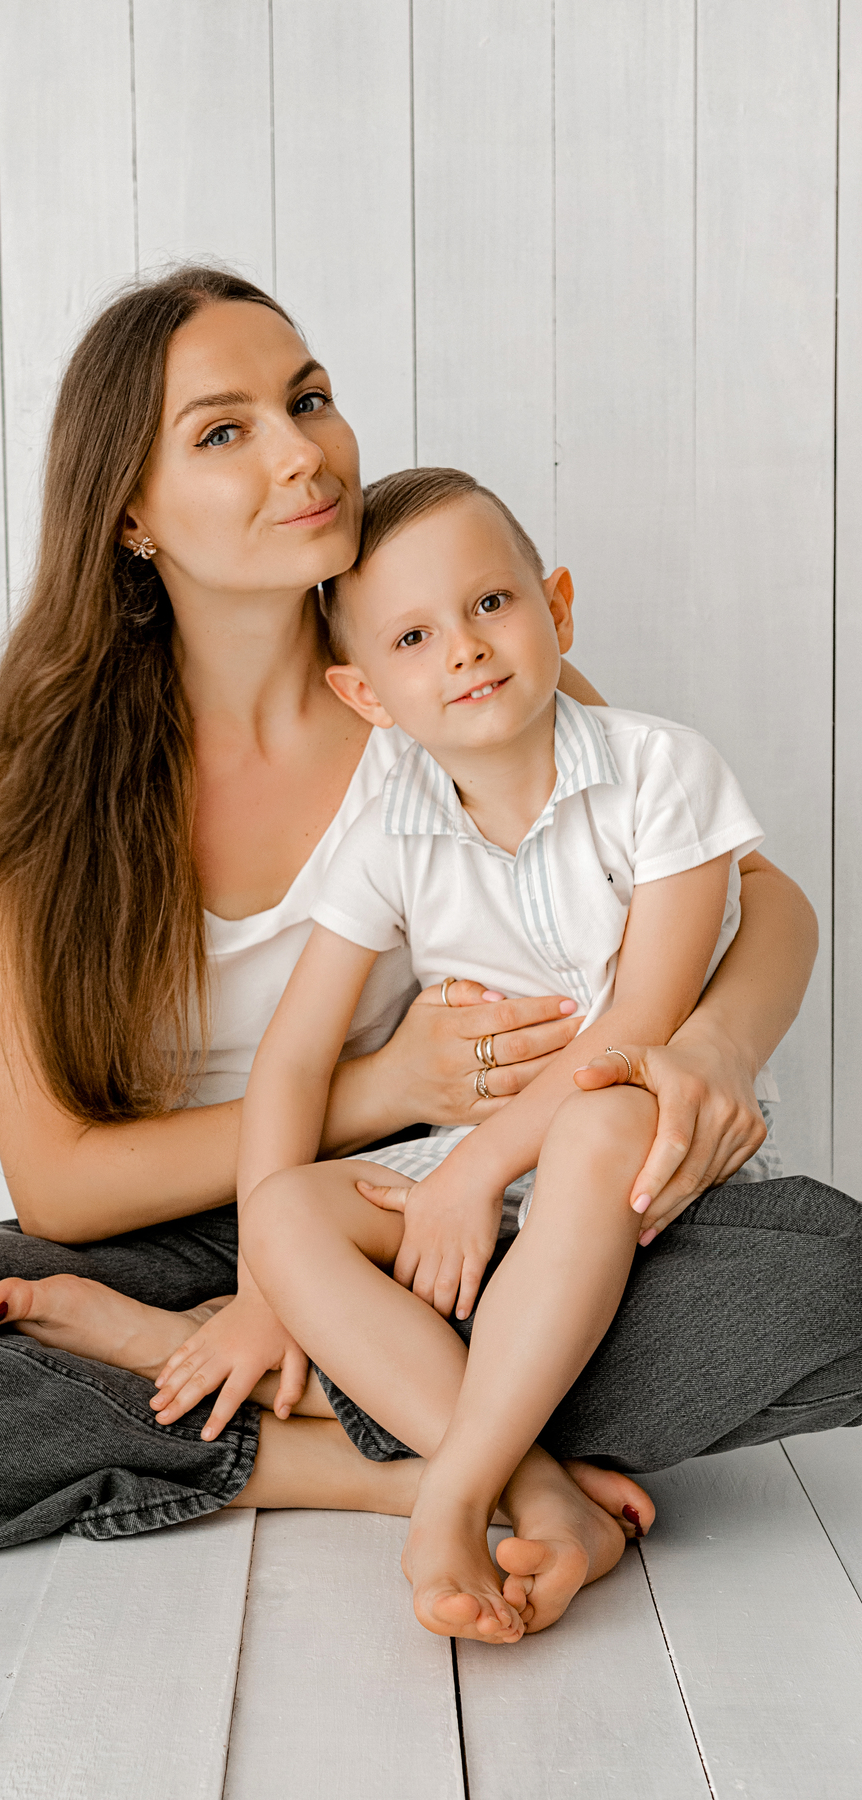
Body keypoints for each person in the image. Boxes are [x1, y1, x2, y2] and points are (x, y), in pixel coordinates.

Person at [0, 270, 858, 1636]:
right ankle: (387, 1465)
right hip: (182, 1240)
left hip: (439, 1230)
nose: (303, 451)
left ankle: (368, 1399)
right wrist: (392, 1094)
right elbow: (57, 1185)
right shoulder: (46, 771)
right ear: (128, 516)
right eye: (224, 431)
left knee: (825, 1280)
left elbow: (761, 900)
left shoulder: (438, 665)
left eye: (308, 399)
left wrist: (708, 1047)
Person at [229, 465, 774, 1640]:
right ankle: (534, 1485)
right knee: (284, 1217)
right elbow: (290, 1062)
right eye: (416, 636)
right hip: (478, 1168)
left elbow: (635, 1031)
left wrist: (475, 1176)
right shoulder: (391, 832)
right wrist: (254, 1286)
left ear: (558, 608)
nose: (466, 650)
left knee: (605, 1110)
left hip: (643, 1157)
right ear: (366, 693)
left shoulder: (659, 774)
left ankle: (453, 1491)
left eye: (491, 605)